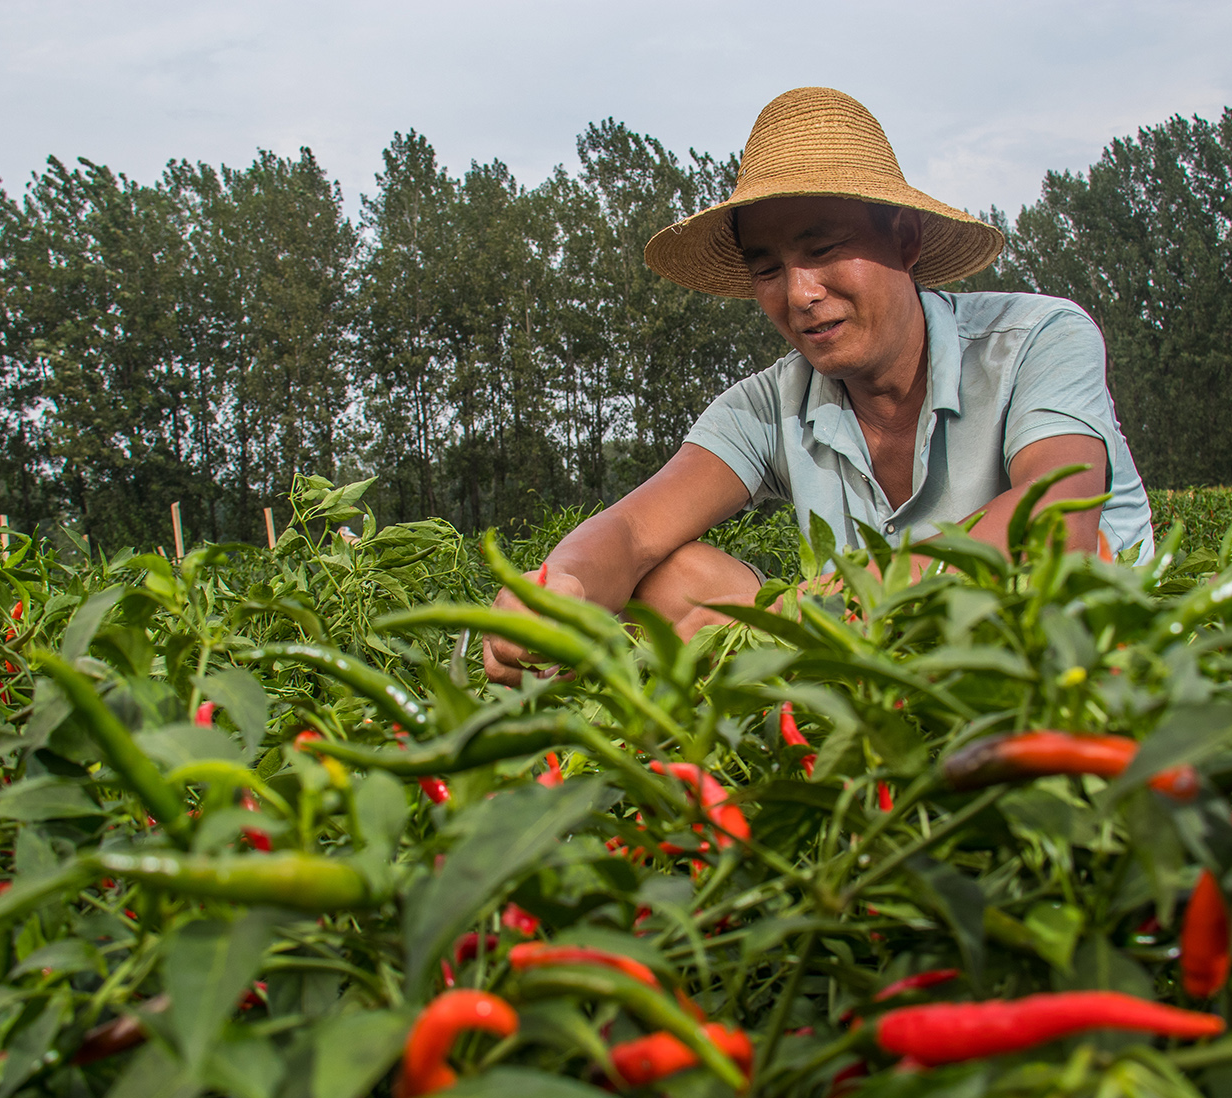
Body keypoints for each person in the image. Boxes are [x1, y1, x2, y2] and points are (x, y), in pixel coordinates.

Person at [485, 87, 1151, 686]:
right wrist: (560, 583)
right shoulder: (770, 403)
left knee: (1064, 576)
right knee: (663, 581)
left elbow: (1054, 519)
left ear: (907, 239)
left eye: (825, 249)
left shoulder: (1037, 338)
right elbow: (632, 528)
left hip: (1060, 660)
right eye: (768, 268)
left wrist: (834, 605)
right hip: (868, 659)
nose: (801, 294)